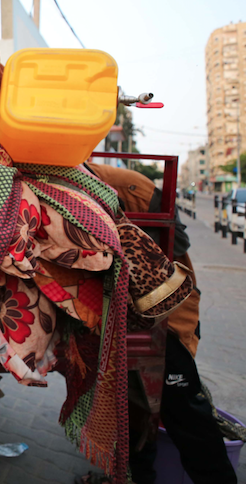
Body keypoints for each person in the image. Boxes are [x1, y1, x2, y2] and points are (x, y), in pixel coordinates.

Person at [80, 164, 238, 484]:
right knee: (133, 408)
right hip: (128, 317)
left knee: (185, 414)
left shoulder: (130, 189)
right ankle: (136, 477)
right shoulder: (86, 184)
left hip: (167, 317)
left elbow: (177, 247)